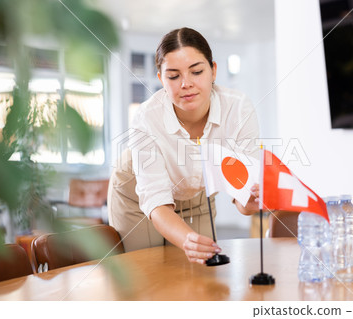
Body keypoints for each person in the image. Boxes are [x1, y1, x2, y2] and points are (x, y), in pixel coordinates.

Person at [108, 27, 260, 265]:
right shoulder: (147, 118)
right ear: (161, 79)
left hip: (197, 194)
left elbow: (243, 189)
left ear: (213, 71)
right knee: (149, 271)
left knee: (199, 273)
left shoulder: (238, 108)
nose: (186, 84)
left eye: (197, 71)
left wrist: (249, 202)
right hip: (137, 196)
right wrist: (186, 240)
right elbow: (156, 201)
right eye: (173, 76)